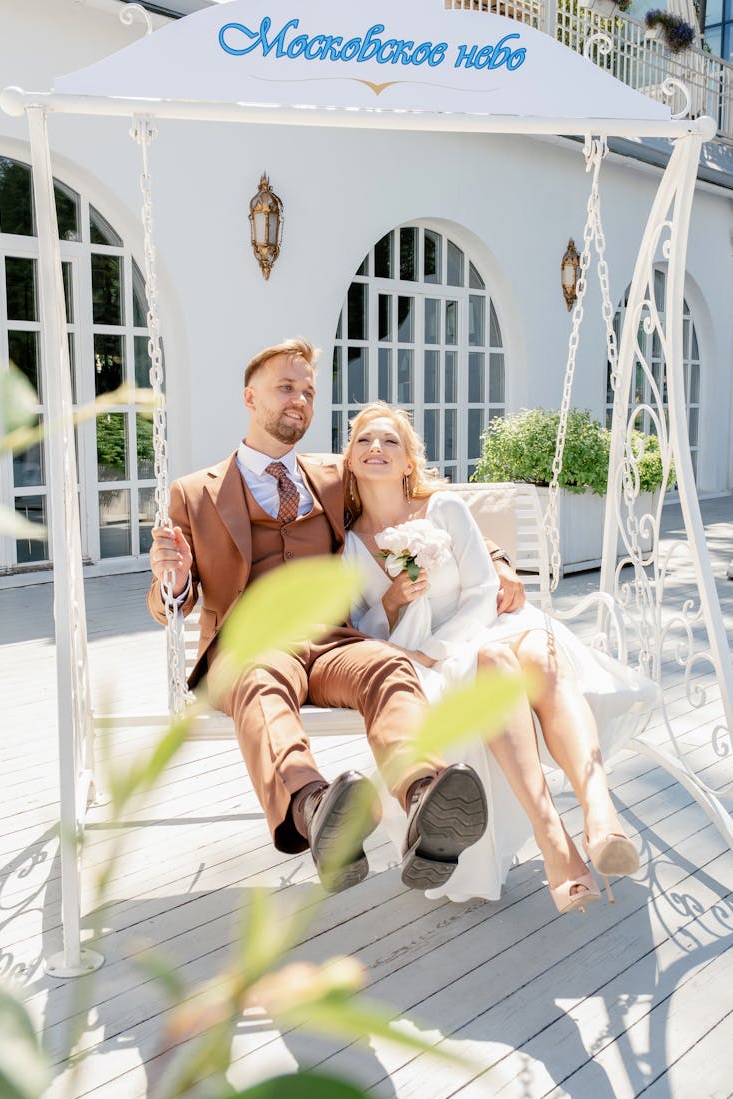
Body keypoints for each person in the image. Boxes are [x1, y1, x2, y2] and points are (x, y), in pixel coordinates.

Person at [148, 339, 517, 895]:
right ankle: (314, 808)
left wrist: (494, 556)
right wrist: (170, 582)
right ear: (250, 397)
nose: (299, 400)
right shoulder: (194, 492)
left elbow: (416, 502)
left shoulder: (330, 474)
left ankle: (423, 796)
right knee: (258, 680)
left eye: (309, 392)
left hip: (333, 641)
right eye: (286, 388)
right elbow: (172, 600)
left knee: (389, 667)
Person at [342, 401, 646, 913]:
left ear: (409, 461)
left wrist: (439, 648)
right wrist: (393, 601)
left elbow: (483, 589)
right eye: (363, 441)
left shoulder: (443, 510)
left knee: (540, 651)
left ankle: (600, 816)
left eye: (390, 441)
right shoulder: (349, 544)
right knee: (497, 666)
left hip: (481, 627)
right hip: (411, 659)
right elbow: (355, 629)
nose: (376, 448)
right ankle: (554, 837)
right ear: (349, 460)